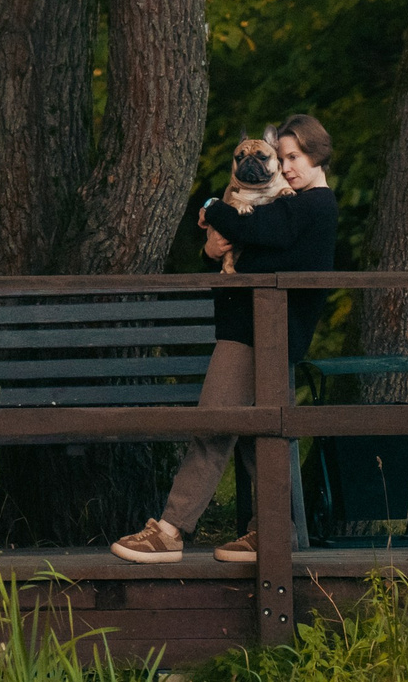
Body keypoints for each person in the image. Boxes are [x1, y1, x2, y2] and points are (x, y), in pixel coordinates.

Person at [109, 114, 338, 565]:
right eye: (285, 157)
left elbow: (253, 230)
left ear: (318, 156)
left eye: (295, 157)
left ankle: (170, 531)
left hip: (263, 333)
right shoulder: (289, 204)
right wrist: (215, 241)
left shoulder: (314, 205)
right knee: (258, 436)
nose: (289, 166)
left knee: (214, 426)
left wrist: (212, 208)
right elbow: (245, 241)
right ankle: (274, 531)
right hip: (250, 328)